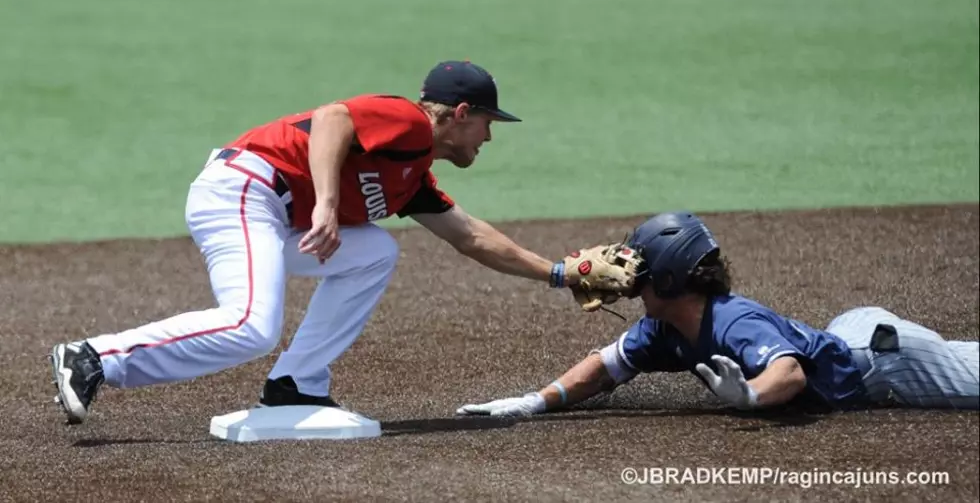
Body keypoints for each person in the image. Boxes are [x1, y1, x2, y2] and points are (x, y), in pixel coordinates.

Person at [49, 60, 635, 425]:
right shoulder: (407, 121)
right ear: (459, 114)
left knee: (376, 252)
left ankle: (295, 384)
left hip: (270, 211)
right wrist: (327, 204)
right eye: (488, 123)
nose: (489, 136)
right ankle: (96, 356)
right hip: (245, 190)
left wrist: (559, 274)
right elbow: (333, 118)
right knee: (252, 325)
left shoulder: (412, 179)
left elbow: (473, 237)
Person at [456, 211, 980, 417]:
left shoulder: (733, 322)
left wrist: (750, 395)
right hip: (849, 336)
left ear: (667, 278)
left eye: (638, 263)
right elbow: (606, 367)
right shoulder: (664, 327)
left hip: (885, 358)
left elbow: (789, 372)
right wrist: (532, 403)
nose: (624, 270)